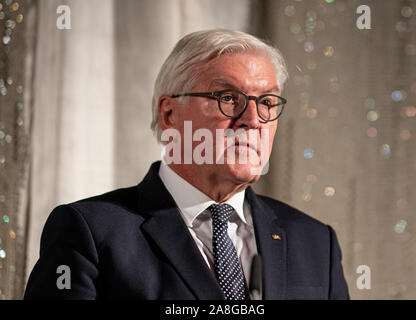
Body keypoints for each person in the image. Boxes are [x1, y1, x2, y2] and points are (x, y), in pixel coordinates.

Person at [24, 29, 349, 300]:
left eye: (266, 102)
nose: (253, 120)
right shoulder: (90, 233)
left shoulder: (316, 242)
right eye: (228, 98)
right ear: (170, 114)